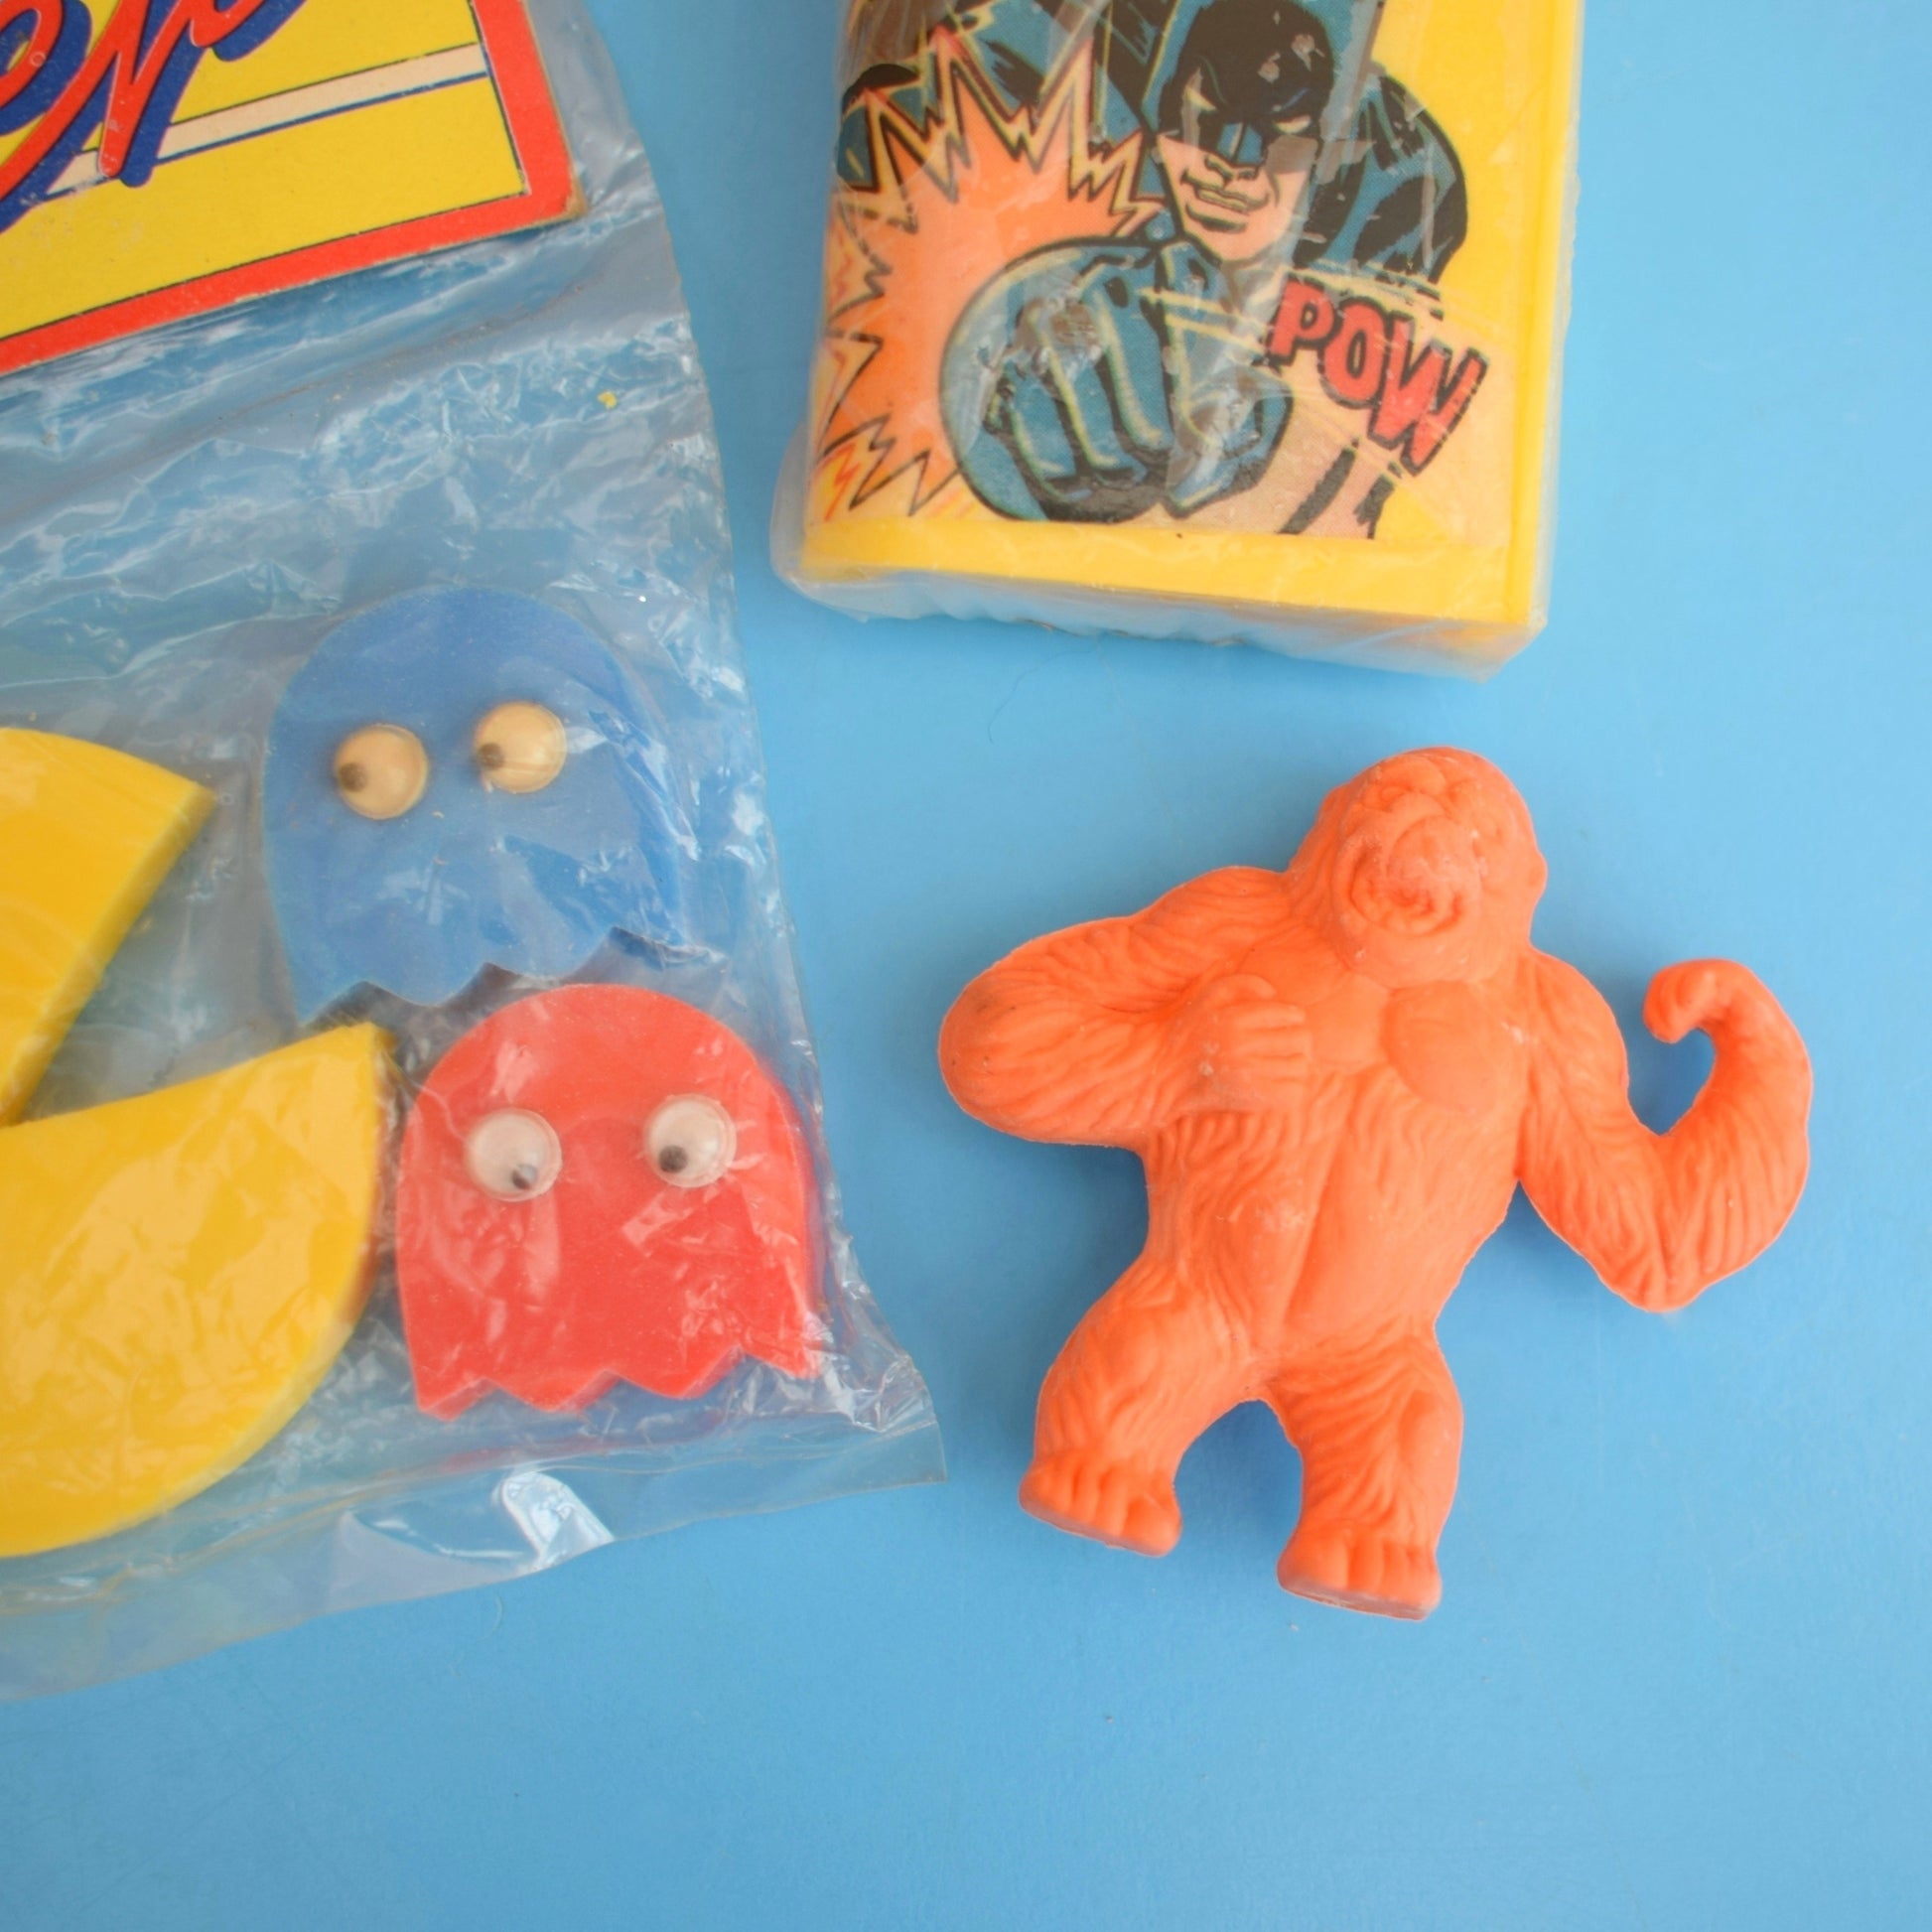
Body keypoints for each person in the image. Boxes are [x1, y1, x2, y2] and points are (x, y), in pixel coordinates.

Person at [839, 0, 1467, 529]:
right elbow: (883, 140)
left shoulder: (1405, 187)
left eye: (1277, 137)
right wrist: (985, 329)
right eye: (1205, 121)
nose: (1231, 164)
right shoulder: (1039, 57)